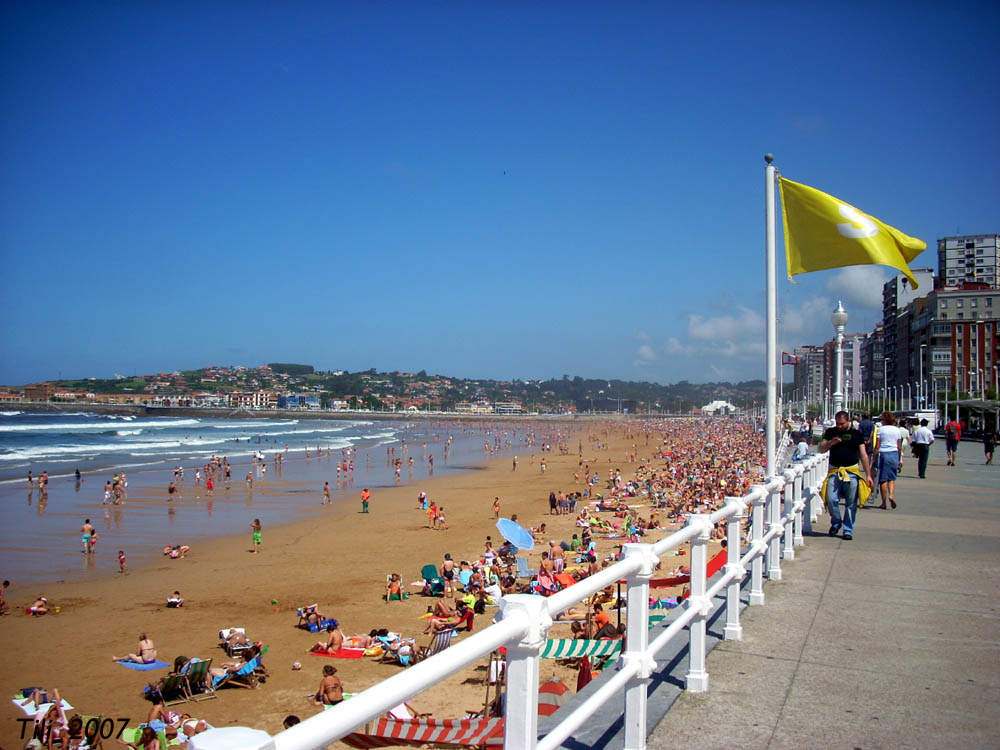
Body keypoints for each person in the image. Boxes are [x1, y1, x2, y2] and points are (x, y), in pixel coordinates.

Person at [819, 410, 874, 541]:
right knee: (831, 499)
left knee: (851, 503)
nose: (839, 426)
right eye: (837, 423)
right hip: (835, 471)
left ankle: (848, 529)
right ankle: (836, 522)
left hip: (851, 471)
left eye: (842, 424)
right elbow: (821, 449)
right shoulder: (831, 432)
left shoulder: (856, 434)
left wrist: (868, 475)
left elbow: (863, 455)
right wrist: (831, 443)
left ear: (848, 421)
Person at [873, 411, 903, 510]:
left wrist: (873, 459)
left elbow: (877, 446)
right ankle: (891, 495)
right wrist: (900, 459)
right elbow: (899, 446)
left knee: (883, 479)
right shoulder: (897, 430)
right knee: (892, 478)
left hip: (884, 454)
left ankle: (883, 502)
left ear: (885, 420)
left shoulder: (881, 430)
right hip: (894, 454)